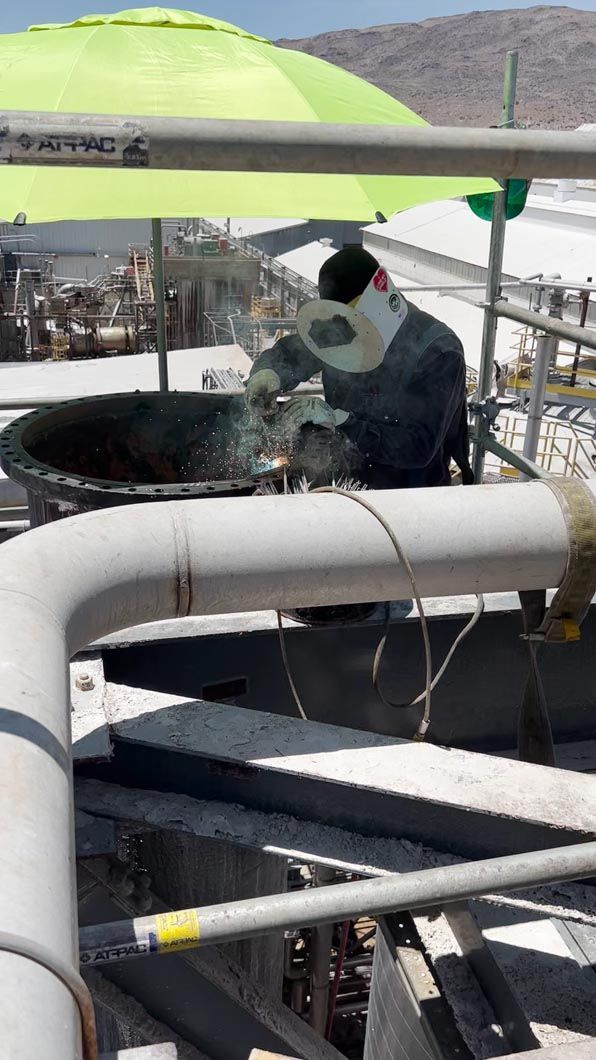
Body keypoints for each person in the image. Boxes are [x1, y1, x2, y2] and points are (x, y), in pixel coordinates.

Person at [245, 247, 473, 489]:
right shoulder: (340, 326)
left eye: (353, 323)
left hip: (408, 496)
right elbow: (292, 354)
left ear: (376, 305)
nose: (347, 332)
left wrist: (341, 421)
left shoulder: (437, 351)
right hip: (343, 481)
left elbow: (417, 446)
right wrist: (267, 374)